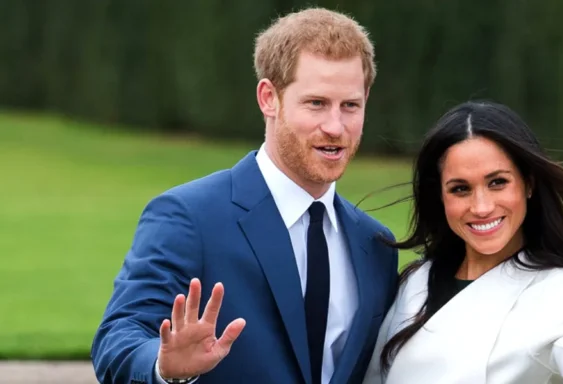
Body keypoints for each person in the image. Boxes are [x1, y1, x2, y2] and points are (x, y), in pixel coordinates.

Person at [90, 8, 400, 384]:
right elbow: (118, 338)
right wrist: (163, 366)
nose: (335, 127)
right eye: (316, 103)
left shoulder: (376, 244)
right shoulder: (189, 217)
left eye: (350, 105)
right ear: (269, 98)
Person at [362, 101, 563, 384]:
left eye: (497, 182)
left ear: (529, 183)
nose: (482, 206)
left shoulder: (561, 291)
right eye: (460, 189)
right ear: (440, 196)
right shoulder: (415, 282)